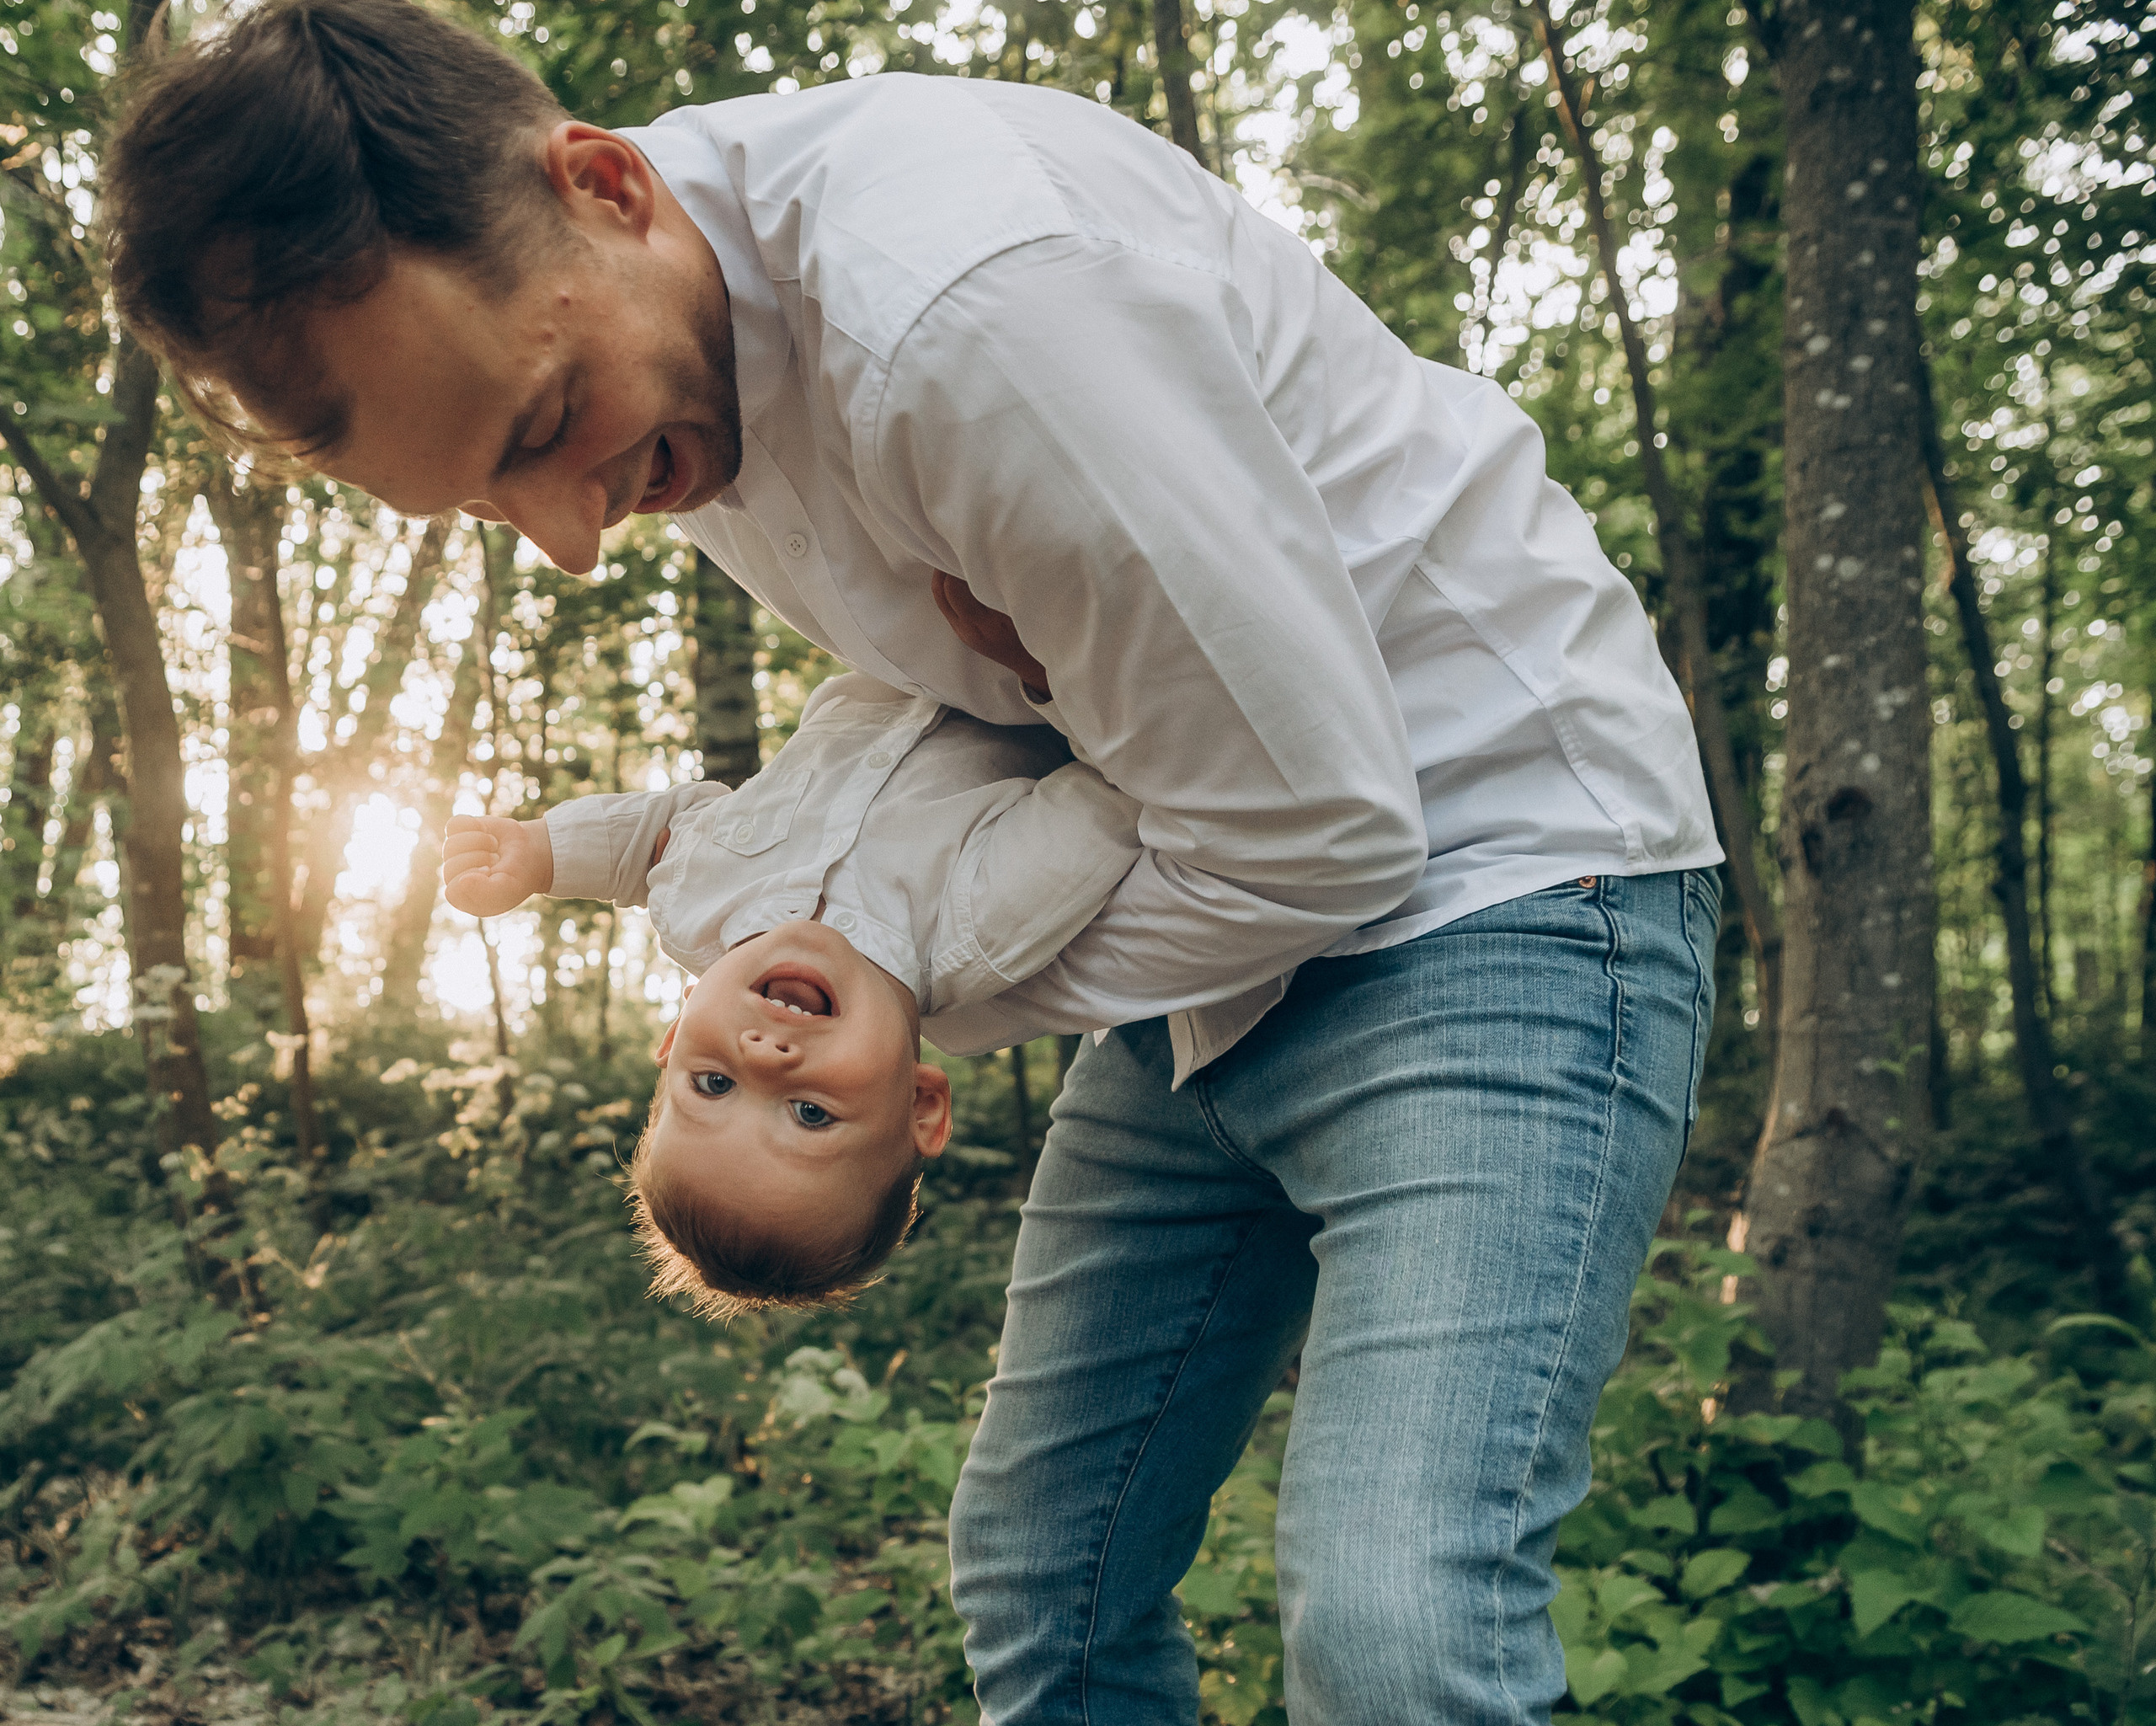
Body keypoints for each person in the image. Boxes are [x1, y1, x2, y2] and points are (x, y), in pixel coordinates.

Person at [104, 4, 1726, 1719]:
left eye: (539, 429)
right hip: (1214, 956)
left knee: (1397, 1637)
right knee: (1048, 1571)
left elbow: (1321, 829)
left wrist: (902, 979)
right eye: (488, 506)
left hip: (1503, 883)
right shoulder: (668, 349)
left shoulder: (968, 309)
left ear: (603, 185)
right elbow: (969, 730)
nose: (575, 539)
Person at [439, 670, 1141, 1317]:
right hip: (1023, 653)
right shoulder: (984, 925)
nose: (766, 1054)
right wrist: (1038, 665)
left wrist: (541, 853)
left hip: (891, 621)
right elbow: (1122, 777)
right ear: (920, 1104)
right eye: (810, 1112)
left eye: (713, 1083)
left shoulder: (698, 909)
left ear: (675, 1034)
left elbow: (661, 834)